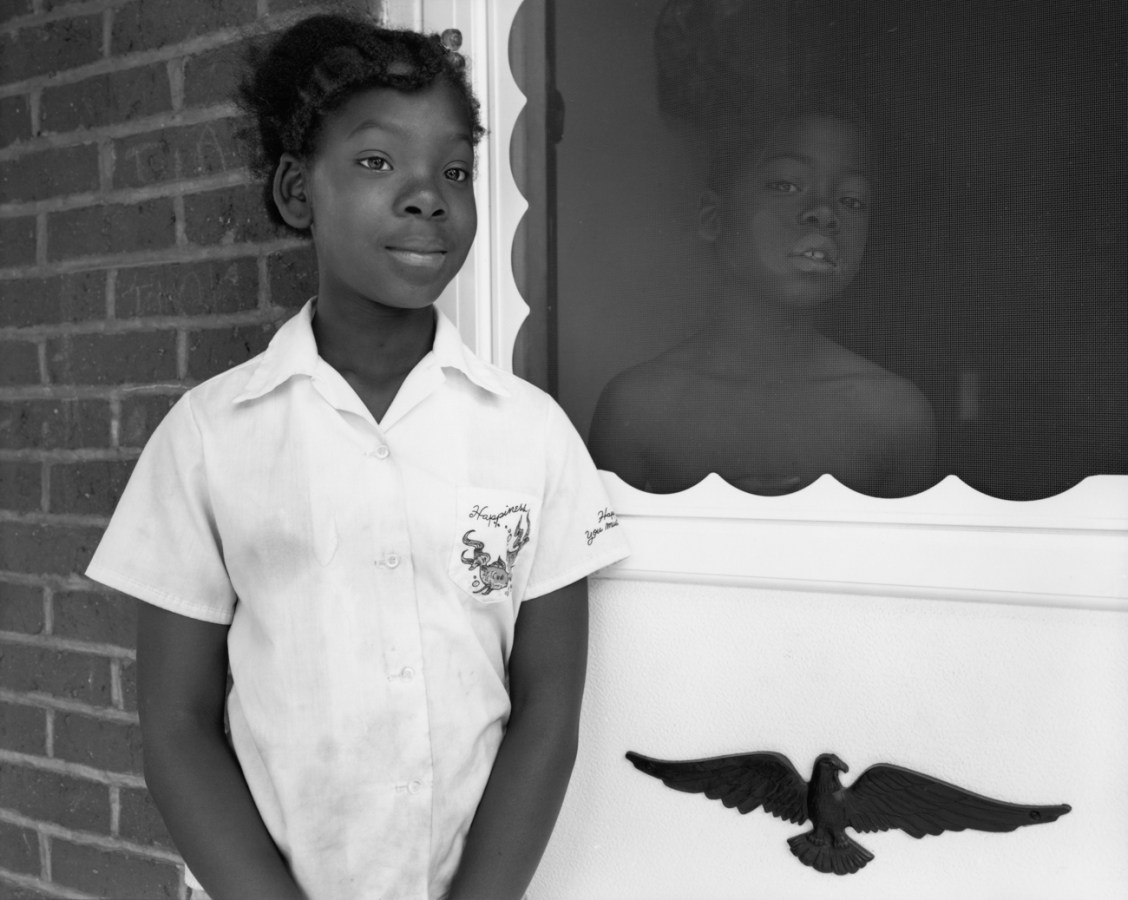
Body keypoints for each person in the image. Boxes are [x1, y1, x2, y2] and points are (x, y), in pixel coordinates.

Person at [85, 13, 628, 900]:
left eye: (455, 169)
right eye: (378, 162)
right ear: (299, 192)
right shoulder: (211, 435)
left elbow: (548, 710)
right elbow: (177, 727)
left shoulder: (531, 435)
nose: (427, 195)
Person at [589, 97, 936, 497]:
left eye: (852, 200)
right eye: (784, 185)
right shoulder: (640, 407)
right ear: (713, 218)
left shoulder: (894, 416)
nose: (824, 213)